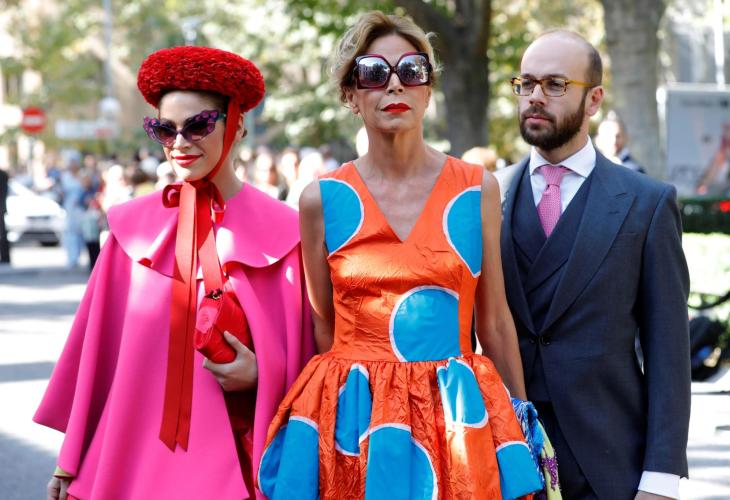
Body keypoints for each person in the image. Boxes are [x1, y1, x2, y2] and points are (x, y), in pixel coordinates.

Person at [258, 11, 542, 499]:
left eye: (412, 71)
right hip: (355, 423)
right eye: (373, 73)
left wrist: (521, 425)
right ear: (351, 95)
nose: (395, 85)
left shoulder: (477, 190)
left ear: (428, 91)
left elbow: (494, 322)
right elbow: (324, 328)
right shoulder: (320, 200)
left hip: (456, 418)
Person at [35, 46, 314, 500]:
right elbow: (99, 363)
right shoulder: (131, 232)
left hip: (244, 467)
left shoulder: (288, 235)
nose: (179, 143)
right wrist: (71, 462)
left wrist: (264, 374)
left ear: (238, 124)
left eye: (198, 125)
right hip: (134, 468)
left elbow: (313, 358)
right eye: (165, 129)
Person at [496, 30, 690, 499]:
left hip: (610, 467)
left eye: (555, 84)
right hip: (504, 461)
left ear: (594, 99)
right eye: (526, 83)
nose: (535, 96)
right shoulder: (486, 196)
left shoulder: (646, 203)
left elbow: (668, 349)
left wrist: (661, 479)